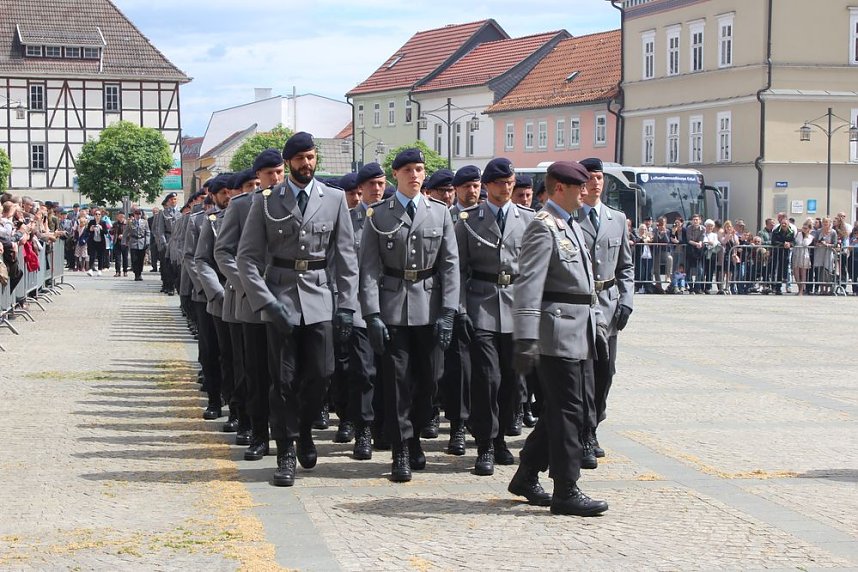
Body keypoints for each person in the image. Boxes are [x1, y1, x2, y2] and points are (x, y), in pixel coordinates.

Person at [238, 132, 358, 487]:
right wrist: (266, 301)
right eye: (300, 158)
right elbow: (247, 258)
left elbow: (346, 257)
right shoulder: (267, 201)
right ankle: (286, 450)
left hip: (319, 297)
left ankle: (304, 430)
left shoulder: (333, 198)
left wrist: (347, 305)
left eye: (311, 157)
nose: (307, 164)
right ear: (288, 162)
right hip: (281, 299)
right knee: (283, 380)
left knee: (321, 374)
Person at [508, 160, 609, 517]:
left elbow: (585, 286)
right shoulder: (543, 226)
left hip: (578, 329)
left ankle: (526, 474)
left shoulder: (570, 224)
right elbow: (528, 284)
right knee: (569, 410)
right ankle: (566, 488)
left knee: (562, 408)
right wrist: (525, 336)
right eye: (580, 186)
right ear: (561, 188)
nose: (586, 191)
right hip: (556, 332)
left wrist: (597, 325)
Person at [358, 148, 460, 483]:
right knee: (396, 381)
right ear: (396, 175)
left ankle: (415, 435)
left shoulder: (439, 212)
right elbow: (368, 269)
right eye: (408, 170)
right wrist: (372, 314)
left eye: (419, 169)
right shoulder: (378, 214)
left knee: (429, 380)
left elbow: (450, 265)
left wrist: (448, 311)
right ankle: (401, 448)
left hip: (429, 307)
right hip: (393, 308)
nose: (414, 175)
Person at [456, 157, 534, 476]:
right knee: (487, 378)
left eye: (510, 182)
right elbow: (458, 269)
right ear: (487, 185)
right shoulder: (468, 220)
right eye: (500, 183)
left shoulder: (528, 219)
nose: (506, 188)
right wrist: (460, 308)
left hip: (516, 306)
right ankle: (485, 443)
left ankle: (501, 437)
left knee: (512, 380)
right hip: (482, 303)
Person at [214, 149, 282, 462]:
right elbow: (223, 251)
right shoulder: (241, 206)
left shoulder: (295, 201)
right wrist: (249, 286)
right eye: (268, 174)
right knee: (255, 371)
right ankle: (257, 433)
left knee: (287, 373)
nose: (275, 179)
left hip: (288, 300)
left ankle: (286, 431)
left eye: (279, 172)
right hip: (252, 304)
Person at [574, 157, 633, 468]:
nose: (595, 183)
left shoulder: (617, 219)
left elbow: (626, 265)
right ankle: (585, 432)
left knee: (605, 372)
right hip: (580, 306)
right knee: (584, 372)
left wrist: (627, 301)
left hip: (608, 304)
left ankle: (594, 423)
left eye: (599, 177)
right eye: (589, 177)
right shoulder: (570, 218)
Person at [346, 161, 389, 459]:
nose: (376, 189)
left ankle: (385, 427)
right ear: (360, 188)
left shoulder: (393, 215)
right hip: (360, 307)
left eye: (381, 183)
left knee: (390, 373)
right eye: (371, 184)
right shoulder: (348, 220)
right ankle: (363, 430)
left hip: (393, 305)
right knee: (363, 372)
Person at [153, 192, 180, 294]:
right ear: (168, 201)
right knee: (167, 265)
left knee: (177, 265)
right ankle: (170, 286)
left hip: (178, 241)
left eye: (175, 199)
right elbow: (160, 230)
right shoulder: (163, 213)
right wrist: (164, 243)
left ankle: (177, 285)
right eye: (171, 199)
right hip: (168, 240)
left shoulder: (181, 212)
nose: (173, 201)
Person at [124, 209, 150, 281]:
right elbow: (126, 232)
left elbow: (147, 232)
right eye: (136, 214)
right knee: (134, 259)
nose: (138, 215)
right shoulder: (130, 222)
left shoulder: (145, 222)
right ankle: (136, 274)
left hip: (142, 242)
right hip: (133, 242)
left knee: (141, 259)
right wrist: (124, 241)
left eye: (139, 214)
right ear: (134, 215)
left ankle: (140, 273)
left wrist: (147, 242)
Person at [792, 220, 814, 295]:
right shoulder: (798, 234)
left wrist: (806, 235)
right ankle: (799, 287)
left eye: (805, 228)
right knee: (796, 272)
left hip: (804, 255)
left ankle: (801, 290)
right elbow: (796, 241)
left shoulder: (810, 237)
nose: (804, 229)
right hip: (796, 254)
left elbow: (805, 243)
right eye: (803, 228)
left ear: (809, 229)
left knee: (803, 273)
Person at [110, 212, 129, 277]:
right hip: (117, 242)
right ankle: (118, 271)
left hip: (125, 243)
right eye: (120, 217)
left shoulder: (127, 223)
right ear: (117, 217)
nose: (121, 218)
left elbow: (130, 232)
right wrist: (113, 230)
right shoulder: (115, 224)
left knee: (125, 258)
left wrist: (123, 235)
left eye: (122, 217)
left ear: (124, 217)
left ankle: (125, 271)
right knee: (117, 258)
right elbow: (111, 231)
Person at [148, 206, 160, 272]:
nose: (155, 213)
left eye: (156, 212)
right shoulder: (150, 220)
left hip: (160, 239)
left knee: (161, 254)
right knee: (153, 254)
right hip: (153, 239)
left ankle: (161, 267)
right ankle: (154, 267)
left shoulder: (161, 219)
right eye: (153, 212)